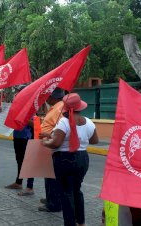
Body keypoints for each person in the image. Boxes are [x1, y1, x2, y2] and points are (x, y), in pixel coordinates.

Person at [41, 93, 98, 226]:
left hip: (64, 159)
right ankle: (81, 222)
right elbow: (95, 140)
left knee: (66, 193)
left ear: (66, 108)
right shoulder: (89, 122)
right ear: (80, 107)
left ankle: (70, 223)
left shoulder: (64, 122)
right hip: (82, 159)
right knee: (77, 190)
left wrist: (45, 142)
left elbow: (55, 143)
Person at [38, 88, 65, 212]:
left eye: (48, 97)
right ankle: (50, 198)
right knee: (49, 175)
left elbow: (60, 130)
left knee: (51, 176)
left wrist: (47, 135)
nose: (47, 99)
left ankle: (53, 203)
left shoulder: (59, 109)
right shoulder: (56, 107)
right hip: (48, 144)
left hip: (52, 145)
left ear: (53, 97)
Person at [5, 85, 34, 196]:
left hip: (26, 138)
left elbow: (34, 123)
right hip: (17, 136)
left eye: (19, 92)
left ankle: (30, 187)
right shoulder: (17, 105)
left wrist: (24, 117)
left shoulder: (30, 106)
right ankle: (19, 182)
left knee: (28, 163)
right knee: (19, 161)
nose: (17, 94)